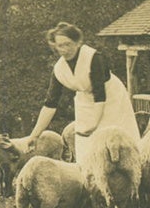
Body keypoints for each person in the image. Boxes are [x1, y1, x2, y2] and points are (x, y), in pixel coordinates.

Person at [26, 22, 139, 162]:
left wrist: (94, 124)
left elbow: (100, 94)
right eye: (59, 46)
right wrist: (35, 135)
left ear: (77, 42)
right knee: (87, 148)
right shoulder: (59, 69)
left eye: (67, 44)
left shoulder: (94, 58)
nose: (64, 49)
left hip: (111, 99)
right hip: (85, 101)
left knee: (117, 141)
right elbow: (50, 104)